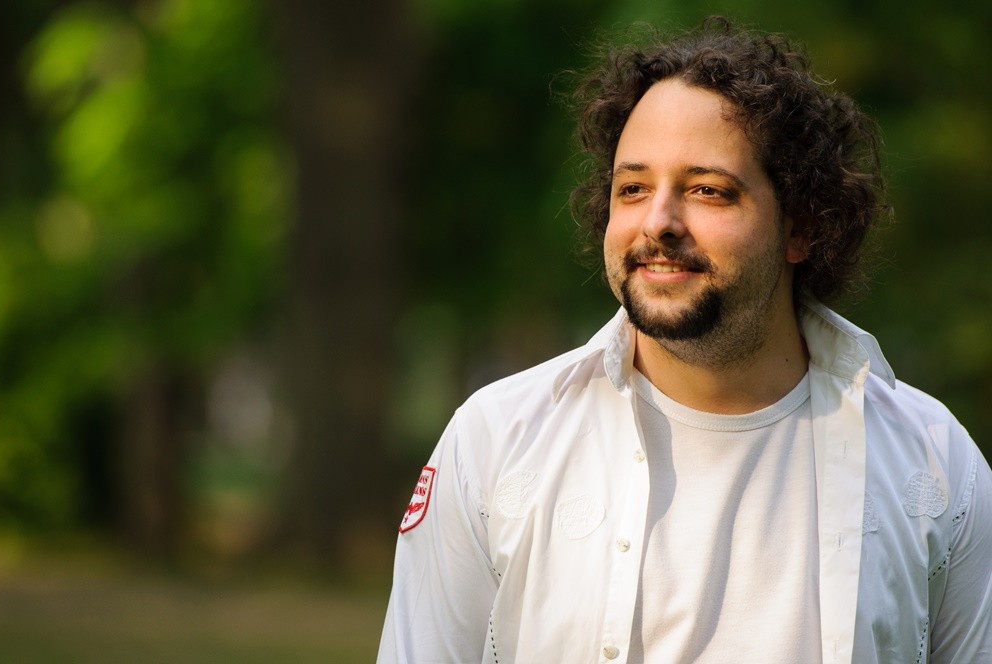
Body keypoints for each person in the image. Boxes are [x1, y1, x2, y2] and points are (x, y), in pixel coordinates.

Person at [377, 17, 992, 664]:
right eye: (633, 188)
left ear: (801, 228)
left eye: (708, 190)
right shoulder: (497, 442)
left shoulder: (933, 464)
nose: (659, 222)